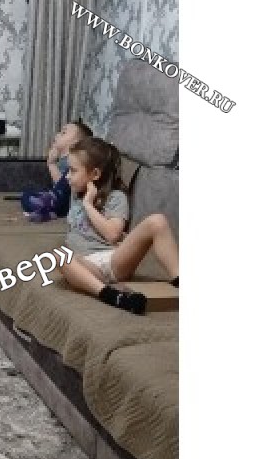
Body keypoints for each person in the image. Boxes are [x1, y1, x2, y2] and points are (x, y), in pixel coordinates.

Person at [58, 136, 179, 315]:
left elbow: (113, 234)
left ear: (95, 175)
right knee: (59, 256)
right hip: (88, 266)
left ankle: (179, 279)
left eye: (73, 171)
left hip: (113, 261)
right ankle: (112, 296)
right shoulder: (75, 193)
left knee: (157, 221)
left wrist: (88, 205)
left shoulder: (116, 197)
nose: (67, 176)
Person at [19, 119, 93, 220]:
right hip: (59, 199)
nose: (57, 134)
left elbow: (65, 185)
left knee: (67, 176)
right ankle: (47, 208)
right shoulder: (62, 159)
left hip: (68, 200)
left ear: (76, 143)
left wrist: (51, 164)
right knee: (27, 193)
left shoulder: (75, 160)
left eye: (63, 133)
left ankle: (47, 205)